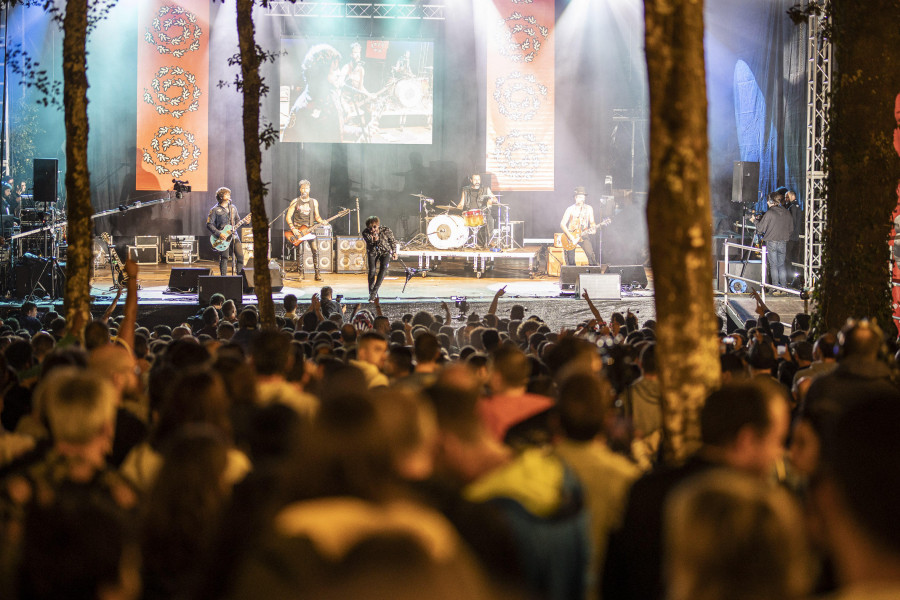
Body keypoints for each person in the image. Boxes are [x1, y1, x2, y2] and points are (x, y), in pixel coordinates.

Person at [282, 44, 367, 143]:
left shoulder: (331, 94)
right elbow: (288, 142)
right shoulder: (302, 108)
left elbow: (336, 129)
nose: (339, 73)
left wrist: (362, 132)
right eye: (334, 69)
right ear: (320, 73)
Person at [285, 180, 326, 282]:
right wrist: (293, 229)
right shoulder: (295, 201)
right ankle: (301, 274)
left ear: (309, 189)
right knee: (300, 253)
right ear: (300, 189)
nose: (304, 190)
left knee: (315, 251)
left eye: (306, 188)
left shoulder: (314, 202)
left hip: (310, 229)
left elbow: (317, 216)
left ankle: (317, 274)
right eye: (302, 188)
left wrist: (322, 221)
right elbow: (288, 216)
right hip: (299, 230)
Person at [755, 191, 792, 294]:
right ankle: (783, 288)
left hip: (772, 241)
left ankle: (775, 287)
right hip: (783, 241)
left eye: (768, 201)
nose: (767, 203)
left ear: (771, 201)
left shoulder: (770, 213)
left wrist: (754, 220)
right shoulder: (787, 212)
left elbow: (760, 228)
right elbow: (791, 229)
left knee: (773, 265)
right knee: (781, 265)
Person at [206, 187, 244, 277]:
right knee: (224, 258)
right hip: (222, 237)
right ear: (221, 196)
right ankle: (224, 278)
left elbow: (238, 221)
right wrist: (219, 233)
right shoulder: (215, 210)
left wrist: (245, 222)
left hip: (234, 236)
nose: (229, 195)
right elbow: (209, 224)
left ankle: (240, 278)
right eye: (226, 194)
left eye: (229, 194)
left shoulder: (233, 208)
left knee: (240, 257)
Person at [560, 186, 599, 265]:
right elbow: (562, 224)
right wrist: (571, 237)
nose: (581, 199)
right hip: (571, 236)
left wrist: (593, 228)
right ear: (575, 197)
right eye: (579, 197)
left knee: (590, 255)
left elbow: (592, 222)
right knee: (571, 261)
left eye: (582, 197)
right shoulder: (570, 209)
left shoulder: (589, 208)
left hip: (583, 234)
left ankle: (593, 273)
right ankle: (571, 276)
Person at [362, 215, 397, 302]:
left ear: (378, 225)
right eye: (370, 228)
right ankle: (371, 293)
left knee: (383, 269)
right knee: (372, 271)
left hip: (385, 252)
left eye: (374, 227)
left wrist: (394, 252)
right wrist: (375, 239)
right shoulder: (365, 233)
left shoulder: (386, 230)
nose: (373, 229)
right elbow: (371, 243)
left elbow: (392, 241)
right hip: (373, 252)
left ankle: (374, 293)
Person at [456, 173, 496, 248]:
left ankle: (490, 240)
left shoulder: (485, 189)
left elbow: (495, 199)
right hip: (469, 214)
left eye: (478, 179)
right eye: (475, 179)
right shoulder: (465, 190)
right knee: (457, 220)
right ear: (471, 180)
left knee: (490, 219)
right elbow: (462, 202)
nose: (477, 181)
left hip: (482, 213)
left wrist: (491, 200)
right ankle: (458, 241)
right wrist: (459, 206)